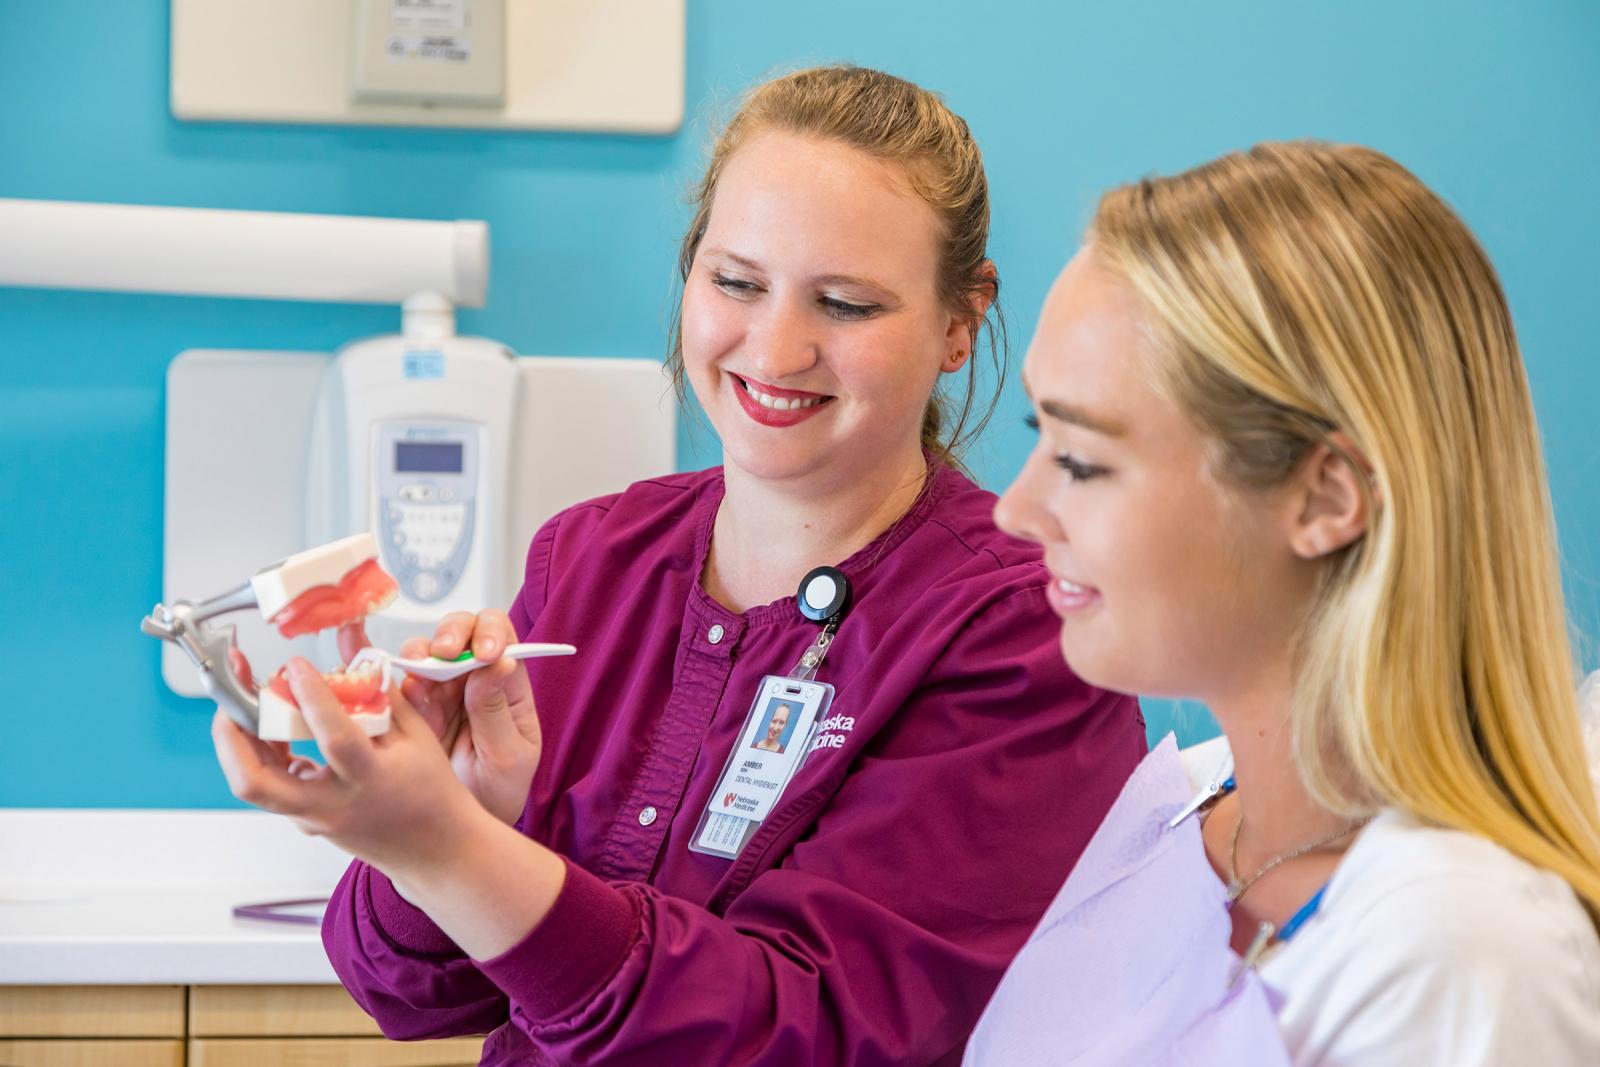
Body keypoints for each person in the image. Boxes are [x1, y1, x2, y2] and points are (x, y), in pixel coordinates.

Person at [212, 65, 1146, 1066]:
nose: (775, 348)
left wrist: (452, 845)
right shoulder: (592, 557)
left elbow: (810, 1037)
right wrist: (438, 824)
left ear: (960, 320)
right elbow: (404, 990)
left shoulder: (1028, 631)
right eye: (736, 282)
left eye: (844, 304)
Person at [970, 141, 1600, 1064]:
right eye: (1041, 431)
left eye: (1082, 457)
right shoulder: (1188, 804)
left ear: (1325, 497)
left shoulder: (1462, 955)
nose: (1015, 511)